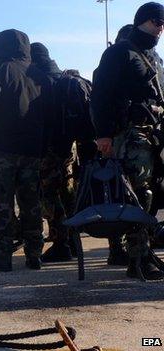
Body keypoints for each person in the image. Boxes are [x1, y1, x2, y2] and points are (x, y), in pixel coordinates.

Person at [91, 2, 164, 280]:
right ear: (142, 21)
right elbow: (101, 96)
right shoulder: (118, 53)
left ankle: (144, 254)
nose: (160, 29)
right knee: (137, 194)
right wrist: (103, 134)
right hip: (129, 134)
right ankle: (137, 259)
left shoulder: (154, 57)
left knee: (152, 193)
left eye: (163, 25)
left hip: (152, 134)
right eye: (157, 23)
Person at [0, 29, 53, 271]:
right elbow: (48, 116)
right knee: (31, 203)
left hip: (2, 150)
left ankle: (2, 257)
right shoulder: (39, 76)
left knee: (2, 204)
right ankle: (34, 255)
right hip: (31, 151)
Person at [29, 42, 76, 262]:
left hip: (49, 148)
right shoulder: (60, 76)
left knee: (49, 195)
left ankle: (60, 243)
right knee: (67, 193)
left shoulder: (39, 79)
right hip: (68, 146)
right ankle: (73, 241)